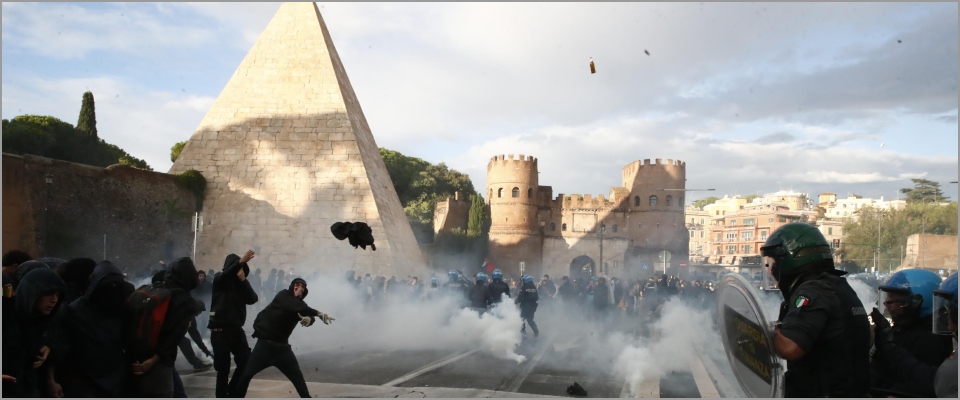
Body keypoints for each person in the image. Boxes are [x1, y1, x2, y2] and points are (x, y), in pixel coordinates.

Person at [760, 222, 869, 397]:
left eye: (773, 262)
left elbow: (791, 348)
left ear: (788, 258)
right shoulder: (837, 286)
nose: (771, 270)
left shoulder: (813, 291)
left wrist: (765, 329)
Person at [231, 278, 334, 398]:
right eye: (297, 285)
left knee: (298, 380)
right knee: (246, 375)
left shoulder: (300, 304)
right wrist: (317, 313)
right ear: (291, 286)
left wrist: (310, 319)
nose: (299, 288)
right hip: (264, 346)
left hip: (282, 349)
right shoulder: (283, 295)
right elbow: (296, 307)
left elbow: (304, 311)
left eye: (302, 286)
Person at [49, 260, 132, 397]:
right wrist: (51, 381)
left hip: (116, 381)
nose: (112, 288)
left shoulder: (123, 311)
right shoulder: (73, 312)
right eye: (108, 284)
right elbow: (58, 347)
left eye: (116, 284)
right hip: (80, 382)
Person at [871, 272, 958, 398]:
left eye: (893, 301)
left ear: (916, 302)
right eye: (886, 300)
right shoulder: (900, 330)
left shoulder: (929, 340)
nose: (887, 306)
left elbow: (925, 381)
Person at [126, 257, 199, 398]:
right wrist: (153, 360)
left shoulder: (156, 289)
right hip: (159, 361)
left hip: (136, 356)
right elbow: (174, 336)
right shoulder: (184, 300)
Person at [2, 268, 65, 397]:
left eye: (58, 295)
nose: (54, 300)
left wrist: (49, 346)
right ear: (33, 293)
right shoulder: (6, 317)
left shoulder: (43, 323)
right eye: (49, 294)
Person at [208, 250, 258, 398]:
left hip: (236, 329)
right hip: (219, 329)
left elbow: (253, 299)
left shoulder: (241, 285)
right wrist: (239, 263)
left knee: (246, 361)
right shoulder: (220, 279)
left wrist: (243, 280)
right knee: (223, 369)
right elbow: (226, 274)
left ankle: (233, 392)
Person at [179, 298, 214, 373]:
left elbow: (195, 335)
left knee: (184, 341)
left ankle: (197, 364)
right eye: (199, 311)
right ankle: (197, 364)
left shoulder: (190, 317)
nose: (199, 314)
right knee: (185, 342)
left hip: (172, 334)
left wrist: (205, 350)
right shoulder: (182, 313)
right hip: (165, 332)